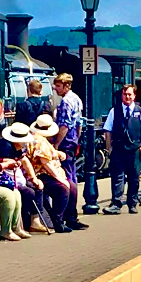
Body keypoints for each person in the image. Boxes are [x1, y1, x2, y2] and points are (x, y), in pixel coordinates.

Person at [102, 84, 141, 215]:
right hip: (118, 150)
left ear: (134, 96)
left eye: (130, 94)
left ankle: (132, 203)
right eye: (125, 94)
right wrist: (109, 148)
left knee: (133, 178)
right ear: (122, 96)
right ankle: (116, 204)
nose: (127, 97)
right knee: (117, 177)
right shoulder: (114, 111)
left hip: (134, 150)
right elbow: (108, 130)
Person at [51, 73, 89, 230]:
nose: (55, 88)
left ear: (66, 86)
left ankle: (68, 216)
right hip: (72, 142)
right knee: (72, 177)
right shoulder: (77, 99)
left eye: (58, 85)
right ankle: (72, 215)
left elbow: (64, 125)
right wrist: (77, 141)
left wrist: (56, 144)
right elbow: (79, 124)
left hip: (65, 143)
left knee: (65, 180)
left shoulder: (66, 102)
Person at [0, 122, 52, 233]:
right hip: (7, 181)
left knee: (37, 187)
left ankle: (35, 221)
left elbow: (24, 160)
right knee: (29, 192)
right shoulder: (6, 147)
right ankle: (23, 222)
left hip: (17, 179)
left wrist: (34, 178)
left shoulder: (17, 147)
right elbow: (4, 169)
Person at [27, 114, 74, 233]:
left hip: (44, 173)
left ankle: (65, 218)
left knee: (72, 188)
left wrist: (57, 153)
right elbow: (46, 163)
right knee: (63, 189)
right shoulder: (40, 141)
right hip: (41, 175)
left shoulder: (41, 139)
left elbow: (48, 154)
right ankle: (58, 220)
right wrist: (59, 179)